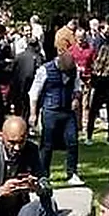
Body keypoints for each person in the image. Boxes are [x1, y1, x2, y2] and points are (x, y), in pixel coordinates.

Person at [29, 51, 82, 185]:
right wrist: (33, 113)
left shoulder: (73, 70)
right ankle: (43, 175)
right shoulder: (44, 70)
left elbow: (77, 87)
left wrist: (76, 98)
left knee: (73, 142)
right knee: (47, 145)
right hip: (50, 110)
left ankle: (72, 173)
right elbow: (34, 92)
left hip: (67, 111)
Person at [87, 43, 109, 145]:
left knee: (92, 115)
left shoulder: (96, 64)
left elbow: (93, 81)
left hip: (99, 91)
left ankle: (89, 137)